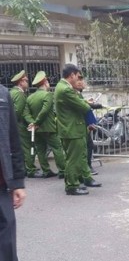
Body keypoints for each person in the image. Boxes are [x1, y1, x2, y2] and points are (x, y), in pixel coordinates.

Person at [54, 64, 101, 196]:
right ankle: (71, 186)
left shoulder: (62, 87)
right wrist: (92, 105)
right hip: (72, 129)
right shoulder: (65, 89)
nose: (78, 79)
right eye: (76, 75)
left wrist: (87, 103)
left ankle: (82, 178)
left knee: (79, 157)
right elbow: (82, 106)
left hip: (72, 129)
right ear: (72, 75)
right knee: (73, 159)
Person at [0, 84, 26, 261]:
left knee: (7, 252)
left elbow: (13, 139)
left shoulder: (2, 94)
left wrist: (18, 182)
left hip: (1, 189)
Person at [25, 71, 66, 179]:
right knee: (57, 148)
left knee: (41, 150)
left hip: (36, 130)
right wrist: (37, 123)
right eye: (47, 81)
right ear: (44, 82)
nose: (48, 84)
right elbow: (45, 111)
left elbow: (26, 113)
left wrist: (33, 124)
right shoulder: (47, 95)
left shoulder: (30, 97)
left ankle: (46, 170)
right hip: (48, 128)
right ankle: (62, 170)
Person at [9, 70, 42, 178]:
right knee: (28, 147)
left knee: (20, 148)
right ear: (20, 82)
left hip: (14, 125)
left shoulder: (11, 92)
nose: (27, 83)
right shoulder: (19, 94)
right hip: (20, 125)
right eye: (26, 81)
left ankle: (24, 168)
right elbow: (19, 111)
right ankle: (31, 170)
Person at [74, 78, 102, 175]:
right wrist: (92, 105)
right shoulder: (74, 94)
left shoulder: (77, 94)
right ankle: (86, 167)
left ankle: (85, 167)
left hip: (83, 124)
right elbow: (84, 107)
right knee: (87, 146)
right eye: (81, 81)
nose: (84, 83)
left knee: (88, 146)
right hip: (80, 125)